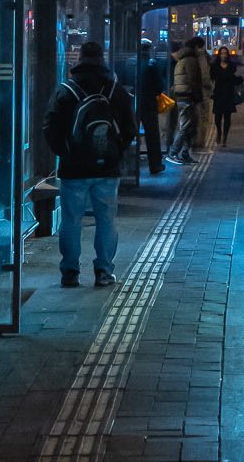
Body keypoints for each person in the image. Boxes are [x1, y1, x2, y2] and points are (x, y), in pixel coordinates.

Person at [43, 40, 137, 288]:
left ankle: (70, 272)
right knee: (106, 219)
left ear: (80, 59)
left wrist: (65, 152)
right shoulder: (115, 89)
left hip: (74, 168)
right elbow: (130, 128)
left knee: (71, 220)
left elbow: (50, 127)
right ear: (102, 58)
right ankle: (104, 271)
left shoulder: (66, 89)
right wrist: (114, 151)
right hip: (107, 168)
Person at [168, 37, 208, 163]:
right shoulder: (191, 60)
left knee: (191, 126)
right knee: (185, 126)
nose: (201, 50)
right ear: (196, 47)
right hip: (187, 97)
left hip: (182, 96)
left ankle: (185, 153)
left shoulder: (183, 58)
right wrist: (199, 99)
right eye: (200, 47)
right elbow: (194, 80)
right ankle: (173, 153)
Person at [137, 38, 167, 176]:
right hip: (148, 103)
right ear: (149, 49)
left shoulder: (130, 62)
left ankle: (129, 164)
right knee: (152, 135)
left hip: (133, 102)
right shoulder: (152, 64)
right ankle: (155, 165)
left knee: (131, 132)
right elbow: (159, 86)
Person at [210, 45, 240, 148]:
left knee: (227, 117)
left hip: (228, 94)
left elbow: (234, 79)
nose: (223, 55)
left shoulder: (231, 66)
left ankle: (224, 138)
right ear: (219, 54)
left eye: (225, 53)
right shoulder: (214, 66)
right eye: (222, 53)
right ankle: (219, 131)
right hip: (218, 94)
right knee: (217, 117)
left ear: (228, 55)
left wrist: (239, 79)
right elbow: (211, 79)